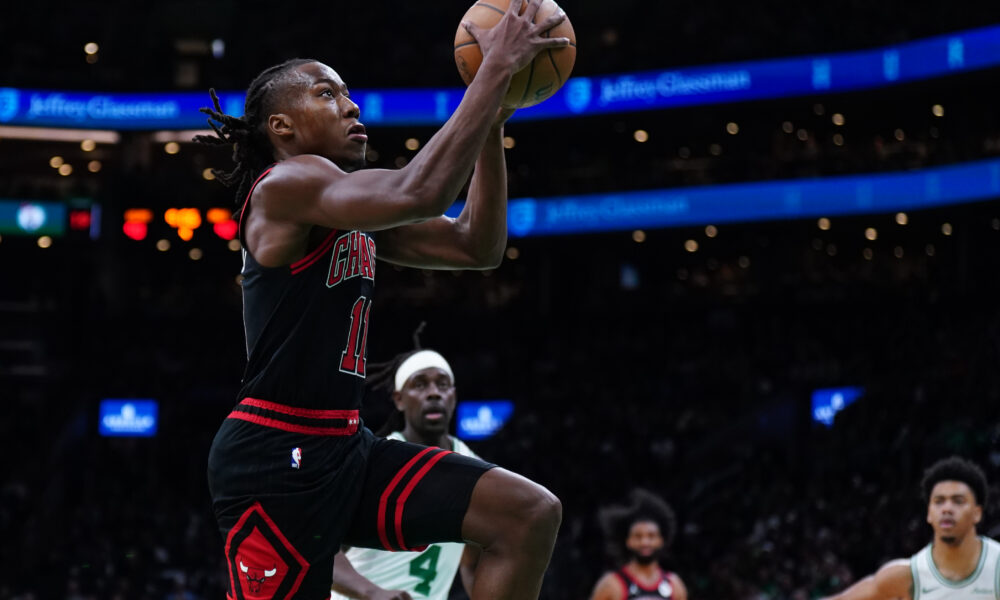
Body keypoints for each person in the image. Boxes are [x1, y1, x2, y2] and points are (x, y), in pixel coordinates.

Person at [196, 3, 569, 598]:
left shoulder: (345, 206)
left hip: (347, 448)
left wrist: (494, 115)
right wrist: (494, 69)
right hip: (274, 458)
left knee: (527, 513)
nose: (350, 105)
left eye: (348, 93)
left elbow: (478, 245)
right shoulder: (286, 186)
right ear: (281, 128)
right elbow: (420, 189)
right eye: (326, 93)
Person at [330, 348, 484, 600]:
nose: (434, 393)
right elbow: (318, 546)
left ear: (453, 396)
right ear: (399, 399)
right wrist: (372, 593)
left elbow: (472, 562)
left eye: (442, 384)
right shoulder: (373, 463)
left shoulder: (478, 473)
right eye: (420, 384)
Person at [822, 456, 1000, 600]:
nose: (946, 509)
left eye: (958, 501)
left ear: (977, 513)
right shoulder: (906, 576)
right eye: (938, 502)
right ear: (929, 514)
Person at [589, 489, 689, 600]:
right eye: (638, 536)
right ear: (628, 541)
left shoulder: (675, 585)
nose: (644, 542)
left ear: (661, 540)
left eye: (651, 536)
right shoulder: (611, 584)